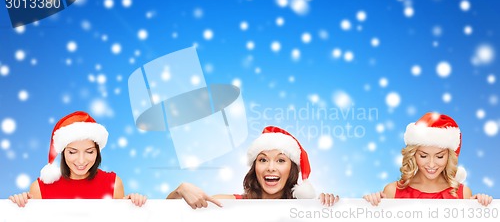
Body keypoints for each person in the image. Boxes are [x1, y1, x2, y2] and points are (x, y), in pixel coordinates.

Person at [167, 126, 340, 209]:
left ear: (292, 170)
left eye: (280, 160)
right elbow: (163, 216)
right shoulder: (227, 204)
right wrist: (180, 190)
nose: (270, 168)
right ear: (254, 167)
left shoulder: (306, 208)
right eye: (263, 160)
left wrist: (365, 203)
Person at [8, 111, 147, 207]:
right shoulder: (40, 188)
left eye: (89, 151)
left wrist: (133, 205)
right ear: (63, 152)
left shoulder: (113, 184)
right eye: (73, 152)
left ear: (98, 152)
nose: (81, 161)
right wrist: (18, 206)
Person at [363, 112, 493, 206]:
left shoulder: (462, 193)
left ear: (449, 156)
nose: (431, 164)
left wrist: (481, 207)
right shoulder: (392, 191)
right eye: (423, 155)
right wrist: (370, 206)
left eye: (439, 156)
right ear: (413, 154)